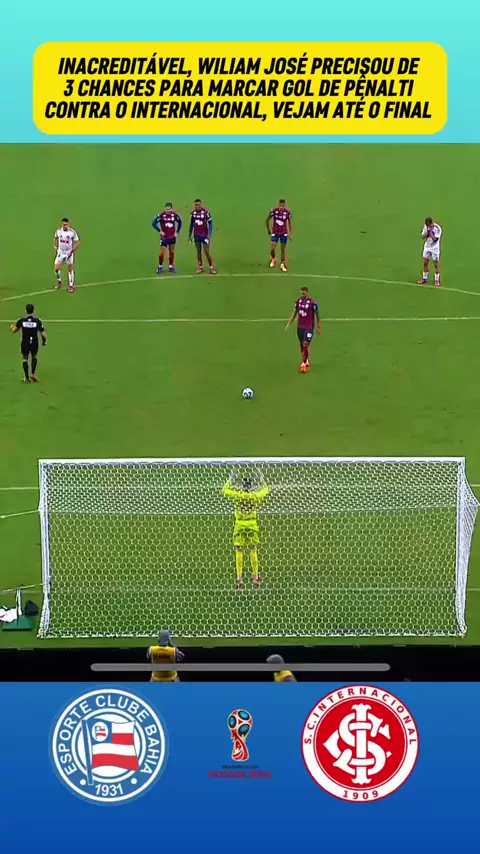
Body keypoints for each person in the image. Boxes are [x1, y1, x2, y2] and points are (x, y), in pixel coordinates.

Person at [222, 475, 269, 589]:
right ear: (250, 487)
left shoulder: (238, 495)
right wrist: (262, 480)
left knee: (239, 550)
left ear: (243, 487)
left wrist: (230, 480)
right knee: (253, 549)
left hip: (239, 525)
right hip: (252, 525)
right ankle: (255, 576)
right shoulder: (255, 496)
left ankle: (239, 578)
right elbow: (266, 490)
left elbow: (224, 490)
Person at [285, 286, 321, 372]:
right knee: (302, 345)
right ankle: (306, 359)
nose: (302, 295)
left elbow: (317, 313)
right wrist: (289, 322)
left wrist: (318, 325)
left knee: (305, 344)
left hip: (309, 327)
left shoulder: (312, 303)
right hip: (300, 327)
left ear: (307, 293)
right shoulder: (298, 302)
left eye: (304, 293)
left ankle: (303, 364)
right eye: (301, 293)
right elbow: (294, 313)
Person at [10, 303, 46, 383]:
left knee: (25, 358)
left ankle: (26, 377)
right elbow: (43, 334)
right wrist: (44, 341)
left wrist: (12, 327)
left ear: (26, 311)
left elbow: (14, 330)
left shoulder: (21, 320)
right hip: (34, 342)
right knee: (34, 356)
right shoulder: (37, 321)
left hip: (25, 342)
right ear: (33, 311)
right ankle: (33, 374)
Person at [152, 202, 182, 274]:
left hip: (172, 237)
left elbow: (180, 222)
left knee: (172, 252)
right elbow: (153, 223)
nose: (168, 211)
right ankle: (160, 266)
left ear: (171, 209)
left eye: (169, 209)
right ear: (165, 209)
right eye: (166, 209)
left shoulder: (174, 215)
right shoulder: (161, 215)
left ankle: (171, 266)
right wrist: (160, 231)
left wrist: (177, 232)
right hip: (164, 237)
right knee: (161, 253)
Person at [188, 199, 216, 274]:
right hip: (196, 235)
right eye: (196, 205)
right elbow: (191, 225)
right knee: (198, 251)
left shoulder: (206, 212)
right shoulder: (193, 214)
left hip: (205, 235)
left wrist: (209, 234)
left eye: (198, 205)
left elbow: (210, 223)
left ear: (201, 204)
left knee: (206, 251)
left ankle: (211, 267)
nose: (197, 206)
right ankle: (200, 267)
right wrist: (190, 235)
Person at [54, 217, 80, 293]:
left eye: (66, 224)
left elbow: (78, 243)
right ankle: (59, 281)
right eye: (63, 224)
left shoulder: (72, 232)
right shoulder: (58, 231)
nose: (64, 226)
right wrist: (55, 246)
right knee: (56, 269)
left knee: (70, 269)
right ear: (61, 224)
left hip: (69, 253)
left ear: (68, 224)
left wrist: (72, 251)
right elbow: (55, 238)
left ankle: (71, 285)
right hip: (61, 253)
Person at [266, 199, 293, 272]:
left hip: (283, 233)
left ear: (284, 205)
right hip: (275, 232)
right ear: (278, 205)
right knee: (272, 248)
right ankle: (273, 259)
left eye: (283, 206)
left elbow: (290, 223)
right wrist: (268, 229)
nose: (281, 207)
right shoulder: (274, 211)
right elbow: (267, 219)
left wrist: (290, 234)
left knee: (283, 249)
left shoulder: (287, 213)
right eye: (280, 205)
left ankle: (282, 264)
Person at [418, 217, 442, 287]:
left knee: (436, 264)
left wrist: (430, 232)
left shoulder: (437, 228)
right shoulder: (425, 227)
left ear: (431, 223)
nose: (427, 226)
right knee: (425, 263)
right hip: (427, 247)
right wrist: (426, 233)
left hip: (435, 248)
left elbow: (435, 240)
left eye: (428, 225)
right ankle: (424, 278)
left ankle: (437, 280)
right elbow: (422, 237)